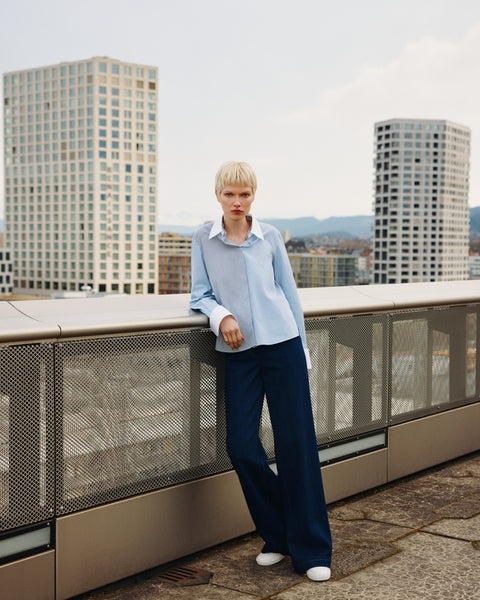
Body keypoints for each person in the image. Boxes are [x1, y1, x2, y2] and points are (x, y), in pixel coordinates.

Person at [189, 161, 332, 581]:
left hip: (283, 346)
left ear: (254, 196)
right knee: (241, 446)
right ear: (218, 194)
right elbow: (200, 293)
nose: (237, 202)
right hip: (239, 352)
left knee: (296, 446)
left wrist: (302, 350)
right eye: (230, 194)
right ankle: (279, 532)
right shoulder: (202, 238)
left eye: (244, 194)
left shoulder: (269, 237)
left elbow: (289, 295)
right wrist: (221, 316)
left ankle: (311, 550)